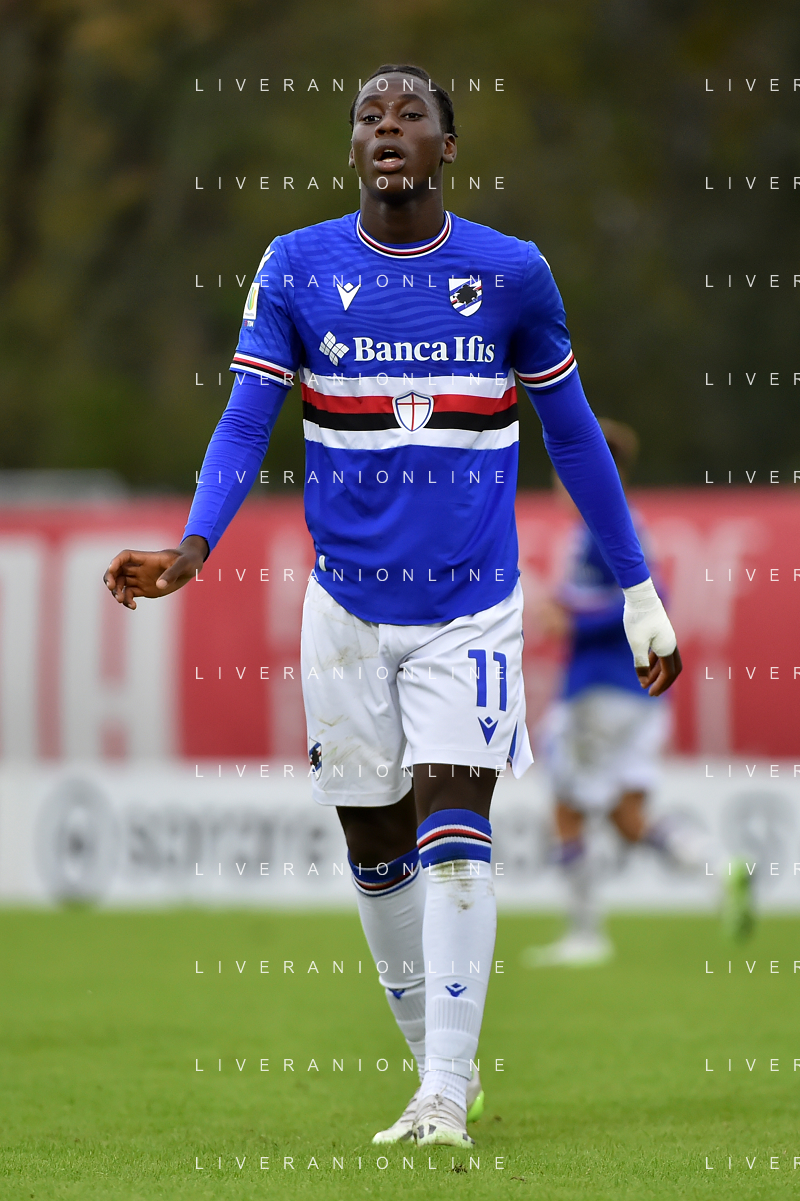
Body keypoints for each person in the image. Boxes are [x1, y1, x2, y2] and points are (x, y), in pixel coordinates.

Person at [103, 65, 681, 1148]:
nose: (387, 127)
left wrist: (639, 586)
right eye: (369, 114)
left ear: (446, 148)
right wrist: (193, 545)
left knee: (455, 836)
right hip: (345, 609)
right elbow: (245, 419)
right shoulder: (296, 265)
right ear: (353, 146)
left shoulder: (511, 273)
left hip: (471, 605)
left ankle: (445, 1093)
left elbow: (572, 435)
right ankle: (435, 1068)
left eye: (411, 115)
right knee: (376, 847)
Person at [523, 421, 750, 969]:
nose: (556, 485)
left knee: (567, 805)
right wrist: (568, 608)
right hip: (635, 695)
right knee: (627, 818)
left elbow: (653, 598)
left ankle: (584, 936)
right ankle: (718, 869)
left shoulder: (607, 526)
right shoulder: (604, 528)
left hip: (601, 691)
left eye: (560, 472)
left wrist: (573, 621)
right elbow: (608, 597)